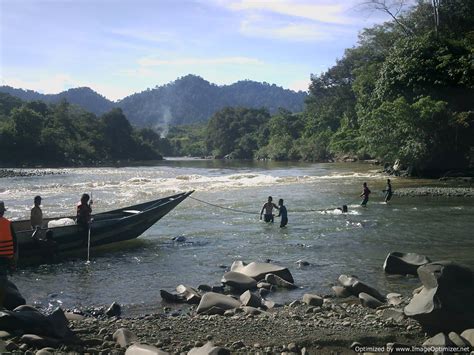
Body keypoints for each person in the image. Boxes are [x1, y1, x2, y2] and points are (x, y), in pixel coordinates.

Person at [0, 201, 17, 308]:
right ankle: (1, 305)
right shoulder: (8, 223)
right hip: (6, 258)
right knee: (2, 283)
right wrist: (14, 262)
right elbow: (15, 244)